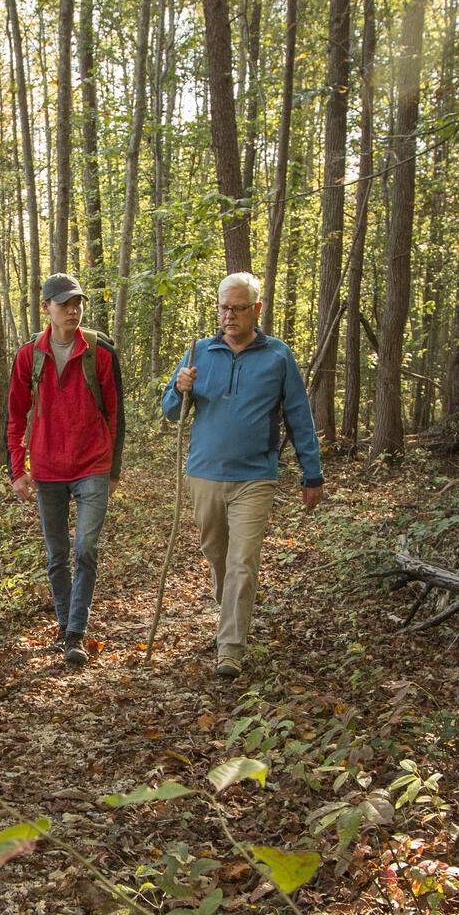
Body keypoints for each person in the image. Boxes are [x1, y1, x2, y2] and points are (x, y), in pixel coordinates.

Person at [162, 270, 324, 678]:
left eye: (237, 308)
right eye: (223, 308)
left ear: (256, 309)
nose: (229, 316)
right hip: (204, 474)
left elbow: (299, 416)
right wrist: (179, 388)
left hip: (256, 476)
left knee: (242, 562)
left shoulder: (278, 356)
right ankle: (229, 604)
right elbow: (169, 411)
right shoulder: (199, 352)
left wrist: (312, 473)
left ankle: (230, 648)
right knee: (216, 554)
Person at [8, 273, 125, 666]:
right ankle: (65, 627)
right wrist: (17, 468)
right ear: (47, 309)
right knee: (57, 555)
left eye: (77, 303)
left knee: (85, 548)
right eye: (64, 303)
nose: (73, 310)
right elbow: (15, 415)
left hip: (92, 464)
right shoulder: (29, 355)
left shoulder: (101, 352)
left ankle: (76, 631)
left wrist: (112, 467)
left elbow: (115, 413)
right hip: (47, 468)